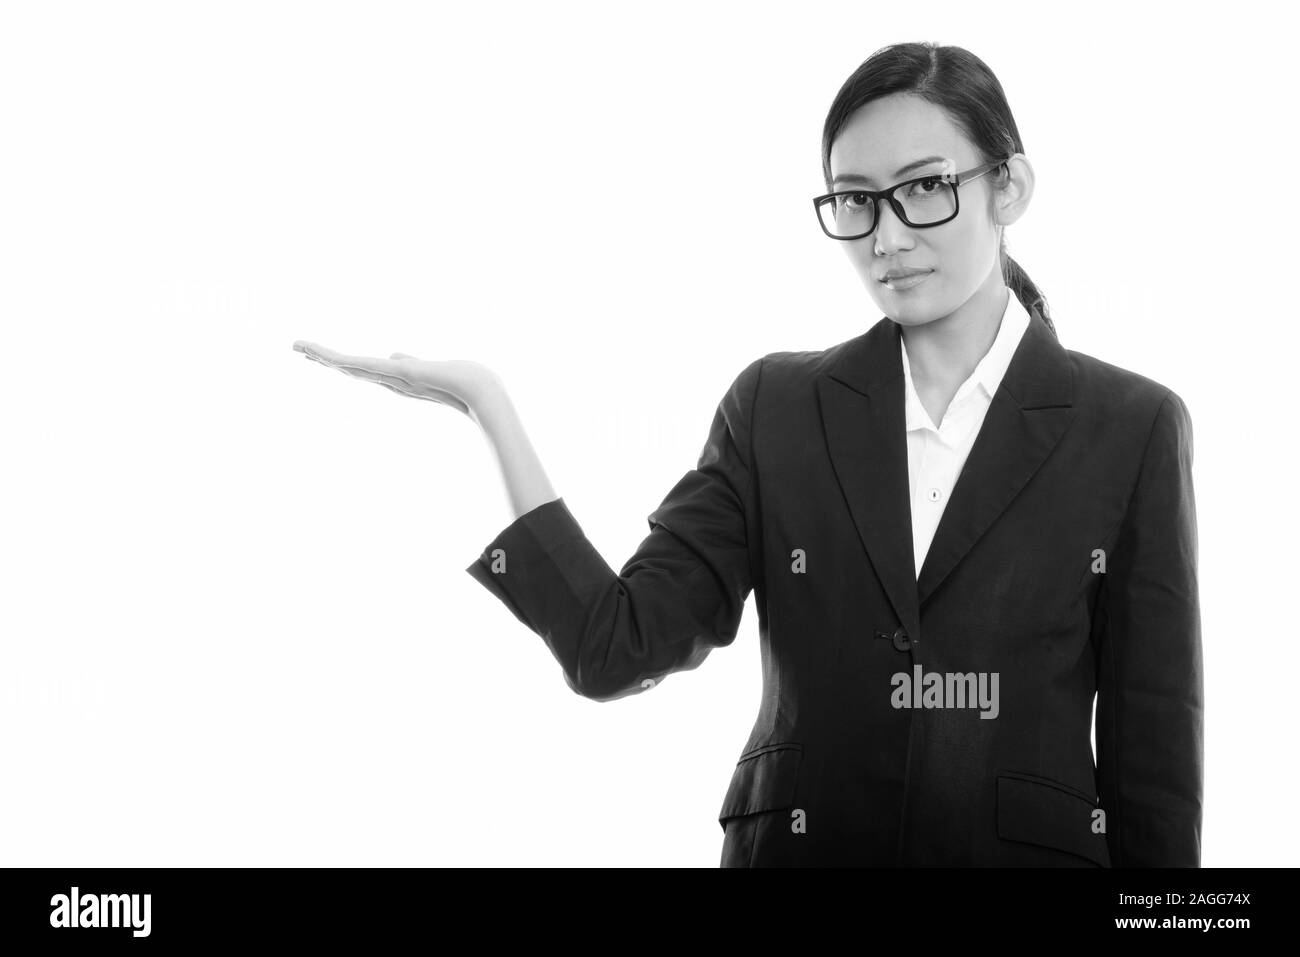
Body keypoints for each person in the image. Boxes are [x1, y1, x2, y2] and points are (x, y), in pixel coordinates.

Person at [292, 41, 1202, 867]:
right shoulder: (777, 408)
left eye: (925, 187)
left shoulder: (1132, 427)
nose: (886, 237)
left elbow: (1153, 761)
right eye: (855, 200)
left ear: (1009, 187)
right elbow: (615, 647)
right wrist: (486, 403)